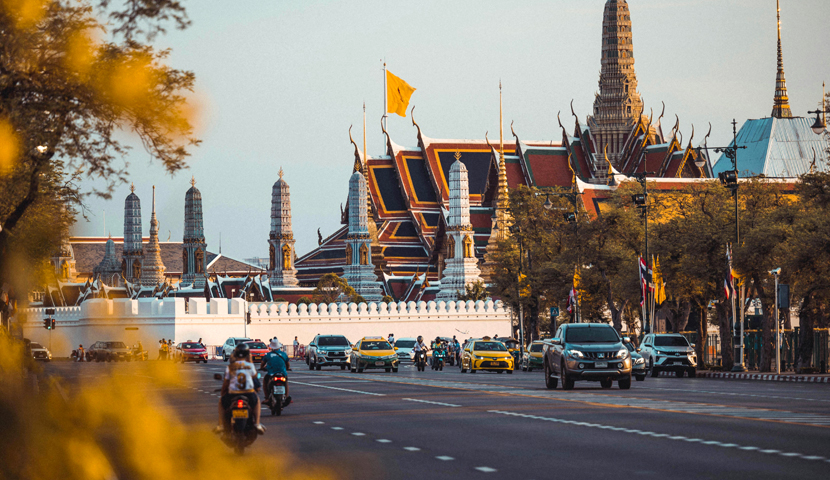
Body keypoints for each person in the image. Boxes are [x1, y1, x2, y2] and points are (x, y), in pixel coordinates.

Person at [215, 343, 265, 434]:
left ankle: (221, 425)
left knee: (221, 402)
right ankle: (257, 423)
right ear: (247, 354)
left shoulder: (230, 367)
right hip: (248, 393)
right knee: (257, 401)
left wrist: (223, 393)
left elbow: (226, 383)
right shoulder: (250, 366)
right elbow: (255, 379)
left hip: (233, 394)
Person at [261, 339, 291, 407]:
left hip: (271, 374)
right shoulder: (284, 354)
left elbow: (262, 364)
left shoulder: (268, 355)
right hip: (282, 373)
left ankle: (266, 397)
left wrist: (262, 368)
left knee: (265, 381)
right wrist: (288, 368)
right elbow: (288, 364)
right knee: (286, 382)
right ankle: (286, 396)